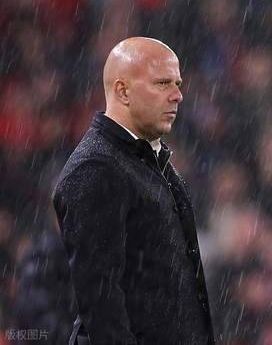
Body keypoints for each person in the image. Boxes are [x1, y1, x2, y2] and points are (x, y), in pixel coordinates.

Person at [52, 37, 215, 344]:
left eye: (178, 84)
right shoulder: (96, 169)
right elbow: (101, 304)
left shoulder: (148, 159)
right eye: (162, 83)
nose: (178, 95)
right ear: (122, 91)